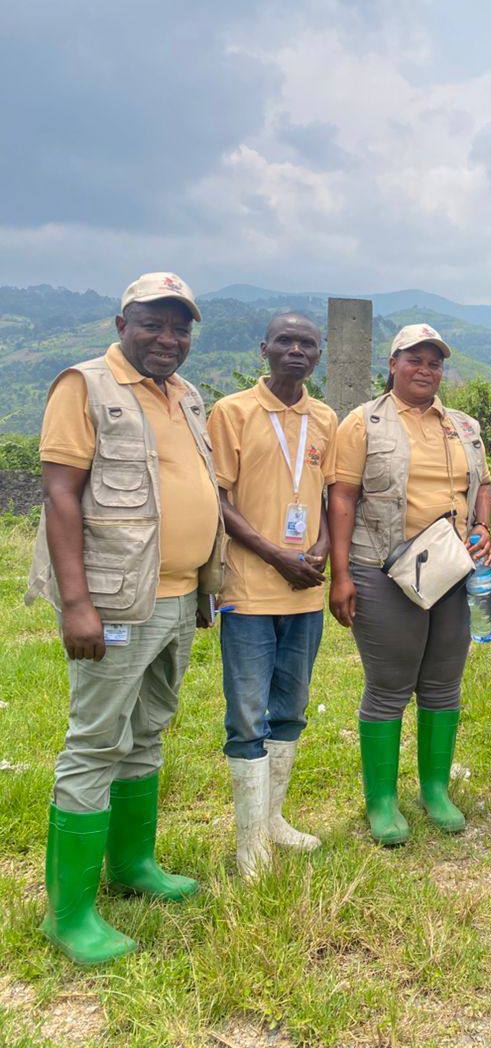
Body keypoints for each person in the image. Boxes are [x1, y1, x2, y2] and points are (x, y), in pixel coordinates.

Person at [25, 272, 223, 964]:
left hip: (173, 597)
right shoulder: (83, 387)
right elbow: (60, 498)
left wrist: (202, 586)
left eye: (180, 327)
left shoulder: (186, 395)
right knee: (94, 744)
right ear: (121, 324)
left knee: (148, 733)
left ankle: (133, 867)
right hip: (113, 600)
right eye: (153, 324)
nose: (168, 339)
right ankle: (69, 915)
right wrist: (76, 603)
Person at [327, 324, 491, 845]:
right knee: (389, 686)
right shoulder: (365, 423)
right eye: (414, 359)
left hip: (451, 570)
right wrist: (340, 575)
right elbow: (343, 498)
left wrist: (483, 527)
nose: (425, 369)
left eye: (434, 362)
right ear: (393, 364)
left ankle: (435, 790)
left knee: (444, 682)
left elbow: (482, 484)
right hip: (383, 569)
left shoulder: (463, 426)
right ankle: (381, 801)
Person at [207, 313, 338, 877]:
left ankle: (275, 821)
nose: (295, 350)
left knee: (291, 708)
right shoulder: (232, 412)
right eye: (284, 341)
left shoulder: (326, 417)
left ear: (318, 354)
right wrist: (273, 553)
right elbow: (218, 499)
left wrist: (324, 549)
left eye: (306, 343)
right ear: (264, 348)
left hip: (305, 591)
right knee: (248, 714)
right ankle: (248, 843)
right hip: (250, 589)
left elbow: (333, 497)